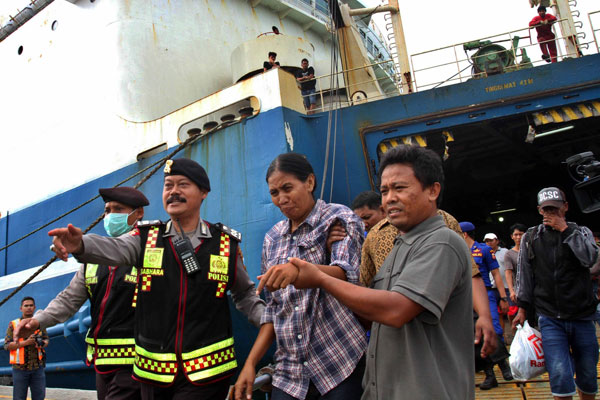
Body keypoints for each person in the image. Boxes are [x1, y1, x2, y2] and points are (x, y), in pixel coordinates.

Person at [265, 145, 475, 399]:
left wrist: (319, 276)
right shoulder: (397, 247)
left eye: (400, 188)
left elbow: (395, 310)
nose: (389, 199)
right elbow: (367, 311)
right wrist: (328, 260)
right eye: (384, 191)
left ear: (433, 190)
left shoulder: (441, 243)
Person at [46, 158, 266, 400]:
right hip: (153, 375)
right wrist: (80, 244)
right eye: (168, 185)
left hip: (206, 374)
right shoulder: (146, 239)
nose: (173, 192)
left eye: (183, 185)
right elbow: (113, 249)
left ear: (203, 192)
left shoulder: (224, 244)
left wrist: (267, 320)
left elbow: (244, 293)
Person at [234, 153, 366, 400]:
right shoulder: (272, 239)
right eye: (274, 193)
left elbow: (348, 274)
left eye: (287, 188)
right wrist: (250, 363)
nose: (282, 199)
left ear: (310, 182)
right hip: (290, 372)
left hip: (339, 361)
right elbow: (273, 311)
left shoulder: (338, 218)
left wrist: (300, 272)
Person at [16, 187, 149, 400]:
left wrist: (80, 245)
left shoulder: (150, 249)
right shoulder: (92, 262)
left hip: (136, 363)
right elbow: (69, 299)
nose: (111, 215)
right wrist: (38, 321)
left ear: (138, 213)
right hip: (102, 363)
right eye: (107, 210)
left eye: (119, 209)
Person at [514, 187, 599, 400]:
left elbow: (590, 259)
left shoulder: (582, 232)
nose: (550, 214)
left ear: (566, 207)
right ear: (539, 210)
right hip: (550, 316)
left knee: (588, 373)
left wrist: (565, 230)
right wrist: (522, 308)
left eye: (555, 209)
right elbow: (524, 275)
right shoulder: (531, 237)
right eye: (546, 210)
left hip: (582, 315)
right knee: (559, 373)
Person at [459, 222, 512, 389]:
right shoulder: (458, 251)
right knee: (475, 335)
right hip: (465, 297)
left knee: (493, 328)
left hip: (485, 293)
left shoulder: (483, 250)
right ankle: (491, 374)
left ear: (465, 234)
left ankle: (503, 363)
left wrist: (503, 298)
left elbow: (496, 274)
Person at [4, 297, 48, 400]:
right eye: (26, 306)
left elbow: (46, 339)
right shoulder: (14, 325)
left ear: (34, 307)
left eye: (31, 305)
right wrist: (25, 343)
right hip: (20, 369)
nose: (28, 308)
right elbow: (7, 345)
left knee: (39, 397)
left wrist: (41, 343)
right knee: (19, 397)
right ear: (21, 308)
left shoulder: (39, 324)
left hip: (38, 368)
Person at [483, 232, 513, 342]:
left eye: (491, 240)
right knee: (497, 314)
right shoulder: (483, 252)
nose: (489, 242)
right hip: (491, 287)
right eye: (486, 241)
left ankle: (515, 335)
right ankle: (503, 337)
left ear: (497, 241)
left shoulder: (505, 252)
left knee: (511, 312)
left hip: (505, 287)